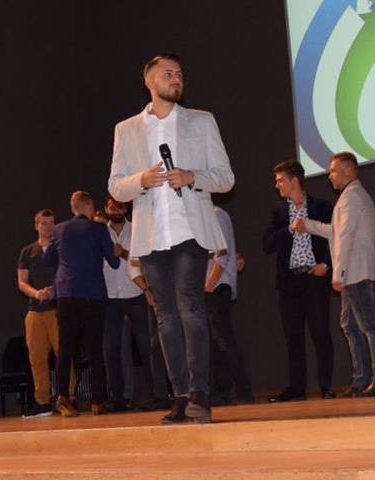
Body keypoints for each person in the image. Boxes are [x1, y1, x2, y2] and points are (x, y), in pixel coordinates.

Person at [108, 53, 234, 424]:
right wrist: (141, 180)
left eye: (179, 73)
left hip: (189, 230)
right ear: (149, 80)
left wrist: (193, 177)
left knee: (190, 308)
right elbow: (115, 186)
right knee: (165, 318)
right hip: (151, 235)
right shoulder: (126, 129)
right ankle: (179, 396)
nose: (176, 78)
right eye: (168, 73)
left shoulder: (202, 120)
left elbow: (226, 178)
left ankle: (199, 393)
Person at [291, 152, 375, 397]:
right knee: (349, 325)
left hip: (355, 271)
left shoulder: (352, 197)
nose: (330, 176)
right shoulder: (350, 197)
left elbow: (344, 237)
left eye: (333, 171)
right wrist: (309, 226)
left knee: (368, 325)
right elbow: (337, 231)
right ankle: (360, 380)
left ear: (348, 170)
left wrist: (339, 273)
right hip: (353, 271)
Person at [263, 160, 335, 402]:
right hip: (289, 281)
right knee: (293, 336)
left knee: (320, 332)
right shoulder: (278, 211)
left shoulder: (322, 206)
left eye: (280, 180)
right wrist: (290, 230)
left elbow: (336, 237)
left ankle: (326, 386)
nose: (277, 185)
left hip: (314, 278)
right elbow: (267, 244)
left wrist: (326, 264)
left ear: (294, 181)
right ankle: (297, 389)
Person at [44, 191, 120, 416]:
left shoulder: (59, 230)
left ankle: (62, 398)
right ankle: (97, 401)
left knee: (65, 348)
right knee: (94, 348)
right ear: (89, 206)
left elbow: (47, 260)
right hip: (92, 294)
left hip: (66, 293)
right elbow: (114, 263)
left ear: (73, 208)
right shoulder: (99, 229)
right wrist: (114, 251)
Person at [101, 195, 161, 412]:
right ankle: (118, 399)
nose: (116, 210)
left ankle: (154, 396)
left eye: (120, 207)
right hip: (109, 296)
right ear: (106, 208)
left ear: (126, 209)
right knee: (111, 349)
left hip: (136, 293)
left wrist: (123, 253)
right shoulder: (100, 232)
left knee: (146, 347)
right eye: (112, 207)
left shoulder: (137, 229)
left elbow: (145, 259)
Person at [206, 206, 253, 405]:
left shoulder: (217, 215)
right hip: (208, 286)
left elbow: (222, 254)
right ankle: (221, 391)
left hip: (218, 286)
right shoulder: (200, 218)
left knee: (224, 339)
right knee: (215, 343)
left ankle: (243, 389)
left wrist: (209, 285)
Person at [17, 209, 59, 418]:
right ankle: (42, 402)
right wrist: (36, 293)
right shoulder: (27, 252)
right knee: (37, 358)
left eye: (51, 223)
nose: (48, 227)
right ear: (36, 226)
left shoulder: (60, 248)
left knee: (63, 355)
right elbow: (21, 282)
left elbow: (68, 274)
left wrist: (54, 290)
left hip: (57, 310)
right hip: (35, 310)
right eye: (44, 223)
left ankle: (66, 397)